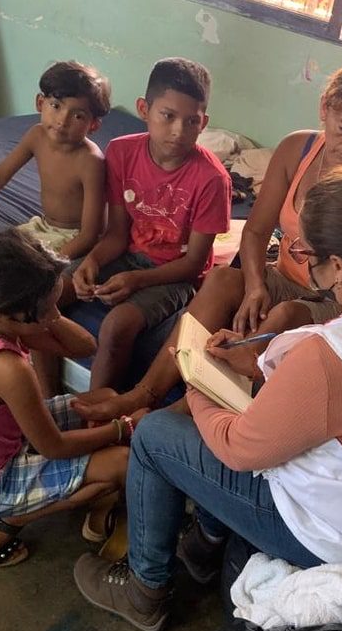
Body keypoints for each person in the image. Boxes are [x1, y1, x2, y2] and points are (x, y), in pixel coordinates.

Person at [72, 164, 342, 631]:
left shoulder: (335, 359)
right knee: (237, 419)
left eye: (305, 252)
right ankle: (205, 545)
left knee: (157, 436)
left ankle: (145, 590)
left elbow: (239, 449)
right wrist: (256, 365)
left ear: (340, 267)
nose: (300, 260)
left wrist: (197, 379)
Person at [72, 50, 342, 422]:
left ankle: (177, 415)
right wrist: (254, 286)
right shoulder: (296, 150)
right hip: (284, 275)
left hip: (338, 295)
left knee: (283, 314)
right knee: (220, 280)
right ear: (324, 108)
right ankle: (143, 394)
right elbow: (254, 232)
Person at [0, 230, 137, 568]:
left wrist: (48, 311)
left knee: (105, 397)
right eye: (43, 312)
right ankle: (7, 522)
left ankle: (33, 500)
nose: (51, 316)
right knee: (121, 464)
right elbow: (53, 446)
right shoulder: (7, 369)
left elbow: (86, 347)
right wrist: (122, 427)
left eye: (54, 303)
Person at [36, 57, 231, 397]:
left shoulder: (212, 179)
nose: (178, 131)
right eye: (167, 116)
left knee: (116, 326)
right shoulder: (122, 152)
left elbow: (195, 265)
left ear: (204, 123)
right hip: (124, 255)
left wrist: (137, 280)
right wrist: (93, 262)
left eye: (192, 121)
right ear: (144, 109)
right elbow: (116, 234)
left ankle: (97, 419)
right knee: (42, 296)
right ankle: (49, 401)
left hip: (174, 274)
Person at [0, 61, 110, 261]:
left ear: (93, 125)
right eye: (56, 106)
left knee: (16, 280)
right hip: (41, 226)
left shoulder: (90, 161)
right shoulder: (37, 135)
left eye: (78, 115)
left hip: (73, 239)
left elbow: (90, 235)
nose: (62, 120)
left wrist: (49, 264)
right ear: (40, 103)